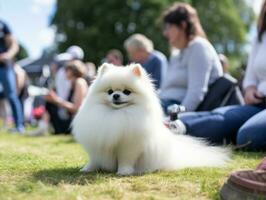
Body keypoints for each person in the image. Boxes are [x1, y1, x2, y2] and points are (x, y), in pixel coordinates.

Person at [178, 0, 266, 151]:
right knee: (220, 117)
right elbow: (251, 77)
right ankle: (173, 126)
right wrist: (250, 89)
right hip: (258, 103)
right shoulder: (261, 36)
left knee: (248, 135)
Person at [159, 3, 223, 113]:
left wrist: (176, 119)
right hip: (163, 103)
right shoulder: (176, 53)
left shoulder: (199, 47)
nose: (165, 33)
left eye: (169, 27)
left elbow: (196, 93)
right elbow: (165, 89)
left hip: (175, 107)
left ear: (182, 25)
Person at [32, 60, 88, 135]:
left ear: (72, 71)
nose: (64, 72)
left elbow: (77, 109)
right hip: (72, 121)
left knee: (51, 103)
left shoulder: (79, 82)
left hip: (76, 124)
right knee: (49, 103)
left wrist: (56, 100)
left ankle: (43, 128)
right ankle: (43, 127)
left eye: (67, 70)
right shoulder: (73, 83)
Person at [0, 20, 24, 133]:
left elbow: (14, 44)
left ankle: (19, 126)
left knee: (11, 95)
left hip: (4, 66)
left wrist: (7, 55)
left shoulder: (3, 25)